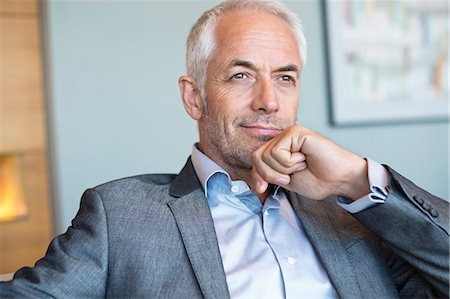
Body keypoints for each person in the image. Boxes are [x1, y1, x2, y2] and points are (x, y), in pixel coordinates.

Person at [1, 0, 448, 298]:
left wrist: (355, 180)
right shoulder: (120, 214)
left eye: (285, 77)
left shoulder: (353, 207)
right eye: (241, 75)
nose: (268, 101)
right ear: (194, 97)